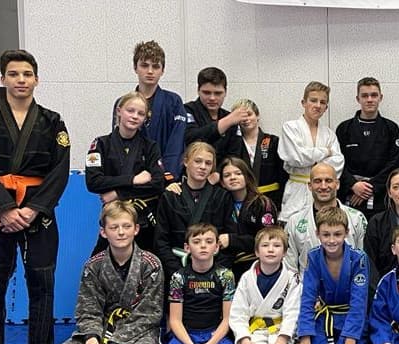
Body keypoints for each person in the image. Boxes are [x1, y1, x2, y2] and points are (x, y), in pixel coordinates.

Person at [0, 49, 70, 344]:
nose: (21, 80)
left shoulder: (52, 121)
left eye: (27, 74)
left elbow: (60, 170)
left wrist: (33, 209)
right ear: (3, 79)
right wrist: (4, 209)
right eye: (14, 74)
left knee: (42, 281)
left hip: (38, 213)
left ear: (36, 79)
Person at [39, 201, 163, 344]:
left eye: (126, 226)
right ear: (104, 232)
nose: (121, 232)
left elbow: (149, 314)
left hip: (137, 331)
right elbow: (88, 310)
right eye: (114, 227)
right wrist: (91, 341)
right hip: (101, 330)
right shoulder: (93, 266)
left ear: (136, 229)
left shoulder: (151, 264)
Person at [293, 207, 369, 344]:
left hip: (350, 321)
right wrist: (305, 339)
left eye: (337, 234)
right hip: (324, 319)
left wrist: (350, 343)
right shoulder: (313, 257)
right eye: (326, 235)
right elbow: (307, 299)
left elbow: (359, 303)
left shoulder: (358, 259)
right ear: (317, 234)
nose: (332, 240)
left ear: (347, 233)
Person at [86, 91, 165, 253]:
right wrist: (133, 179)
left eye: (141, 113)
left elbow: (157, 184)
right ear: (119, 111)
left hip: (142, 218)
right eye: (130, 110)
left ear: (145, 119)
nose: (135, 116)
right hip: (113, 217)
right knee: (99, 261)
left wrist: (118, 193)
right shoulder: (100, 144)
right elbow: (93, 182)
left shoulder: (150, 146)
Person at [159, 223, 242, 344]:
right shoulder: (178, 277)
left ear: (216, 247)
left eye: (209, 242)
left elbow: (227, 319)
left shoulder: (226, 276)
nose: (203, 246)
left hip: (214, 334)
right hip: (187, 334)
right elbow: (175, 320)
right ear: (187, 248)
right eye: (196, 242)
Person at [153, 141, 232, 282]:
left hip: (213, 274)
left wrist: (215, 272)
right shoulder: (170, 197)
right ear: (186, 162)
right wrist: (177, 273)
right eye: (197, 161)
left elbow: (227, 238)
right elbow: (161, 241)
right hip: (177, 270)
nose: (203, 167)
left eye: (208, 163)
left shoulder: (222, 196)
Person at [229, 226, 301, 344]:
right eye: (265, 245)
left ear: (285, 252)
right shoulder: (247, 278)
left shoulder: (291, 279)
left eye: (276, 246)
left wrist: (283, 338)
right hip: (256, 330)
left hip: (279, 330)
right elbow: (238, 312)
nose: (270, 250)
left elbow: (293, 312)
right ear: (256, 252)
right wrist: (244, 339)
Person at [284, 162, 367, 274]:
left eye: (328, 181)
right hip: (307, 288)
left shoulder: (357, 218)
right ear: (309, 185)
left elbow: (363, 263)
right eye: (318, 181)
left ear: (337, 184)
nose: (323, 186)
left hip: (347, 287)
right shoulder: (295, 222)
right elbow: (290, 268)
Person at [120, 40, 186, 182]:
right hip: (134, 179)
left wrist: (167, 176)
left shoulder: (174, 102)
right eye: (144, 65)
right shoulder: (123, 103)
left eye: (155, 66)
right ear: (135, 68)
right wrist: (129, 179)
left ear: (162, 70)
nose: (150, 71)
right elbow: (118, 144)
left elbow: (176, 144)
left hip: (165, 179)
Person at [336, 77, 399, 218]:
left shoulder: (391, 128)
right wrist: (353, 185)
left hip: (381, 196)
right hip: (351, 196)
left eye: (374, 95)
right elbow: (337, 162)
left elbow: (395, 163)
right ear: (358, 98)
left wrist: (370, 187)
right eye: (365, 96)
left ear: (380, 97)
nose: (370, 99)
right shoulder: (344, 129)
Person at [278, 81, 344, 222]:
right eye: (313, 100)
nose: (318, 106)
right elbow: (296, 157)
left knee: (324, 231)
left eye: (323, 102)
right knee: (293, 230)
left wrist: (309, 156)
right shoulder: (290, 128)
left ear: (326, 107)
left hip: (323, 190)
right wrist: (325, 152)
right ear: (304, 102)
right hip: (297, 190)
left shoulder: (329, 134)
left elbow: (338, 163)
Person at [221, 98, 287, 210]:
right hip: (242, 200)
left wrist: (281, 203)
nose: (246, 119)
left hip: (271, 199)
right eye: (241, 117)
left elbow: (283, 175)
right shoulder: (232, 145)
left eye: (249, 114)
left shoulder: (273, 141)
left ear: (257, 116)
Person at [219, 156, 277, 280]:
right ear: (222, 183)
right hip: (225, 267)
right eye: (227, 175)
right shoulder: (219, 203)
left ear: (247, 177)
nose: (233, 177)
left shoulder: (262, 203)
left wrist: (232, 240)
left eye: (238, 173)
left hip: (255, 265)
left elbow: (269, 239)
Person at [184, 67, 251, 162]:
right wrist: (227, 122)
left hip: (224, 173)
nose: (212, 98)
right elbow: (191, 139)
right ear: (198, 90)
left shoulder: (230, 117)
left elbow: (235, 154)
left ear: (225, 92)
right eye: (206, 93)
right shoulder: (187, 110)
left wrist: (220, 172)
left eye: (218, 93)